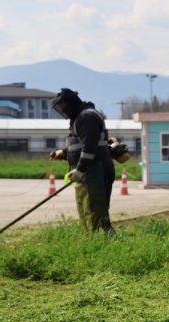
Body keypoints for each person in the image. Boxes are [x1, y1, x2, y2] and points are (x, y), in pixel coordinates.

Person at [49, 88, 115, 233]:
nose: (61, 110)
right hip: (88, 171)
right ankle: (92, 242)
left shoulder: (87, 117)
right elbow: (80, 144)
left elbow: (90, 147)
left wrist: (80, 170)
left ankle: (103, 244)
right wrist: (64, 153)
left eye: (62, 106)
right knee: (87, 210)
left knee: (95, 213)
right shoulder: (80, 117)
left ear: (70, 103)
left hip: (95, 169)